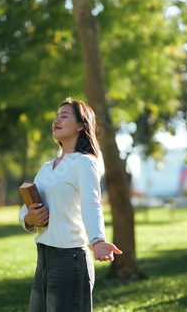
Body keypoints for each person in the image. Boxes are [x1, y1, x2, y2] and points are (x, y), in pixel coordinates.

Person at [19, 98, 122, 312]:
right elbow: (26, 208)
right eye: (56, 116)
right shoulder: (47, 168)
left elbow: (91, 203)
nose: (56, 120)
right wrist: (29, 219)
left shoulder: (85, 162)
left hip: (70, 259)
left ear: (80, 126)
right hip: (44, 256)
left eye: (64, 115)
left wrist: (97, 240)